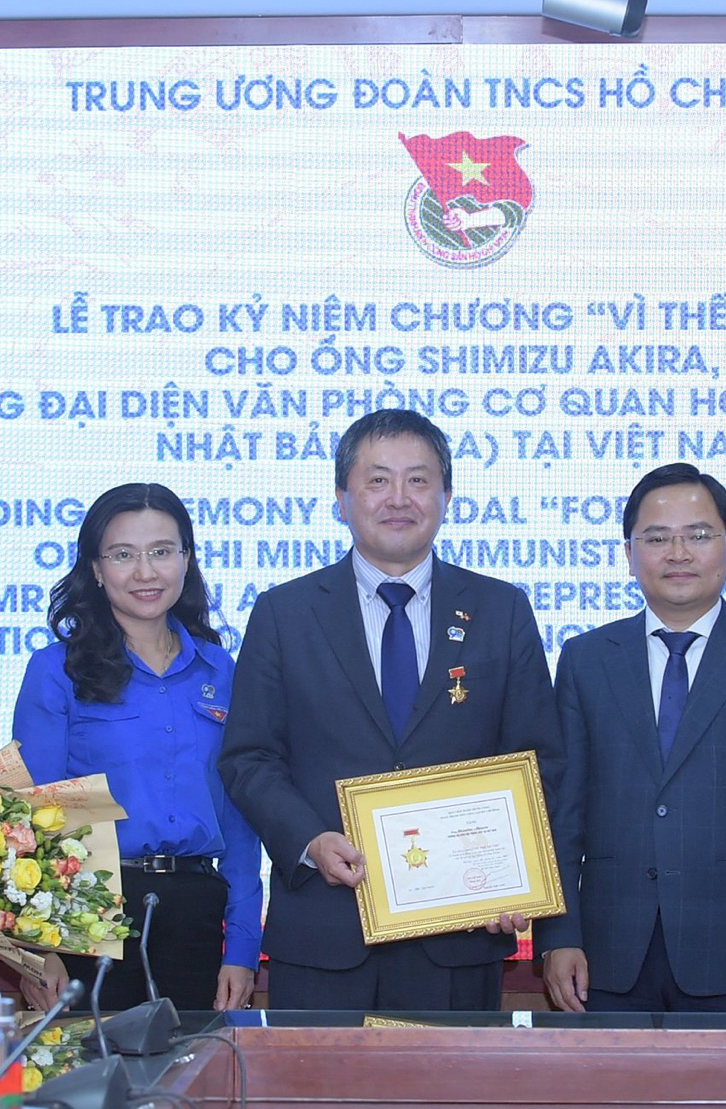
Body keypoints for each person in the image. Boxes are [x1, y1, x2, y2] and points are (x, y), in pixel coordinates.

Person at [219, 409, 559, 1011]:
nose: (398, 498)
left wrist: (516, 872)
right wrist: (308, 841)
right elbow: (249, 758)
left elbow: (537, 759)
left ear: (446, 496)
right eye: (377, 480)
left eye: (418, 480)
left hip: (461, 930)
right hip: (323, 932)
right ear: (341, 499)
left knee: (446, 1078)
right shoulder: (285, 612)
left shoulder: (500, 609)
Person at [540, 463, 726, 1015]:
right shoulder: (586, 658)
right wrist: (559, 934)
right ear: (629, 555)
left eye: (698, 535)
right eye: (656, 538)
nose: (678, 553)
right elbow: (563, 814)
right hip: (605, 953)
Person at [14, 483, 264, 1012]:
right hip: (87, 910)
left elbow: (241, 824)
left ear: (186, 560)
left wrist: (243, 947)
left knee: (193, 1064)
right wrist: (38, 948)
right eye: (123, 555)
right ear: (96, 568)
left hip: (196, 909)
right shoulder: (57, 671)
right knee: (91, 1064)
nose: (145, 572)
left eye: (161, 552)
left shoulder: (220, 671)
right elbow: (32, 817)